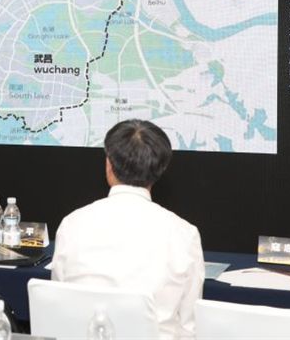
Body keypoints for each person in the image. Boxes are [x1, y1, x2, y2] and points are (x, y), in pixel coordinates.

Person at [51, 119, 204, 339]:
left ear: (108, 164)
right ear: (160, 169)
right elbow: (190, 327)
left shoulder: (72, 224)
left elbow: (59, 303)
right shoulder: (184, 234)